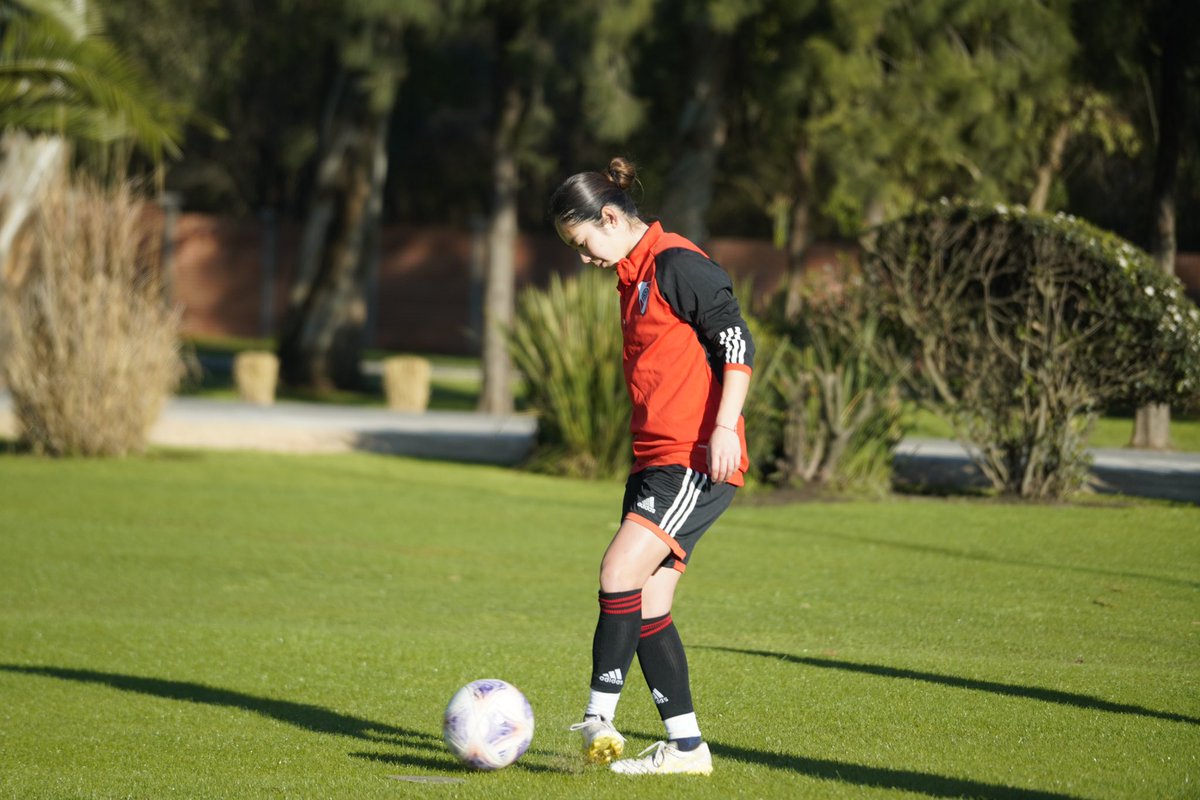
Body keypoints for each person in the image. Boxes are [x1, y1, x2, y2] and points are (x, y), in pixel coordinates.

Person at [550, 157, 755, 776]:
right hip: (654, 462)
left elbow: (736, 340)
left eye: (584, 244)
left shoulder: (675, 262)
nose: (584, 258)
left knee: (618, 572)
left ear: (610, 218)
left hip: (693, 459)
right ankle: (687, 749)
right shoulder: (632, 275)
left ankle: (598, 717)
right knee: (645, 604)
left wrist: (723, 428)